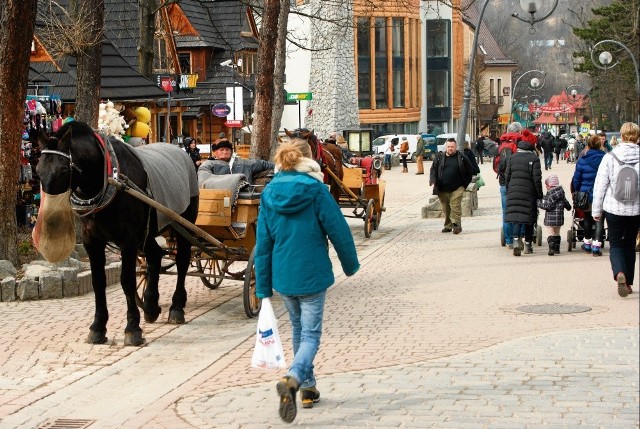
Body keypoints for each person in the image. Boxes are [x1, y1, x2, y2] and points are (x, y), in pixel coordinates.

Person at [254, 138, 360, 423]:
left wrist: (262, 286)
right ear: (308, 159)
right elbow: (338, 228)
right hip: (312, 273)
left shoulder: (269, 193)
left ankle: (307, 389)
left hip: (284, 274)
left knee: (299, 331)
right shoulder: (315, 189)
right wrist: (350, 265)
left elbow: (262, 244)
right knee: (311, 335)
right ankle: (294, 378)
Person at [592, 122, 640, 298]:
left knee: (616, 245)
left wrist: (596, 210)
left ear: (621, 136)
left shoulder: (610, 157)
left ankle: (619, 273)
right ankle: (627, 283)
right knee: (629, 244)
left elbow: (600, 186)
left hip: (614, 209)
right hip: (636, 210)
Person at [505, 130, 543, 256]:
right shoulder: (534, 159)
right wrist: (539, 194)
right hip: (528, 193)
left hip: (514, 191)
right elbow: (537, 179)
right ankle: (527, 245)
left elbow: (507, 176)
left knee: (516, 217)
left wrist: (509, 189)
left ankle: (516, 241)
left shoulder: (512, 158)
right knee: (529, 219)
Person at [429, 138, 473, 235]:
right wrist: (433, 181)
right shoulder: (439, 157)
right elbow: (433, 170)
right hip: (442, 188)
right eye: (448, 147)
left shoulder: (461, 157)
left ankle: (457, 225)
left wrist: (465, 184)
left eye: (452, 147)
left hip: (457, 188)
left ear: (456, 147)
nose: (450, 148)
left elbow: (470, 170)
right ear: (446, 147)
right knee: (446, 208)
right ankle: (448, 226)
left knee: (455, 206)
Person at [571, 134, 606, 256]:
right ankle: (596, 246)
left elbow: (577, 178)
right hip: (602, 193)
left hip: (586, 193)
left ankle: (587, 244)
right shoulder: (605, 158)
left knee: (587, 219)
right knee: (599, 220)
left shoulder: (582, 160)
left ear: (588, 145)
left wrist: (577, 190)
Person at [497, 122, 524, 249]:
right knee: (521, 209)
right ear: (519, 132)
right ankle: (520, 236)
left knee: (506, 211)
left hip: (503, 182)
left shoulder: (502, 144)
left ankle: (508, 240)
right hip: (518, 182)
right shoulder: (519, 143)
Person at [197, 139, 274, 184]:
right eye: (221, 149)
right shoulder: (208, 165)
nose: (225, 152)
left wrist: (280, 167)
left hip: (244, 197)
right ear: (215, 151)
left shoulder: (243, 163)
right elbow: (204, 181)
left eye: (227, 149)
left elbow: (263, 164)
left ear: (231, 151)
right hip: (218, 197)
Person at [537, 175, 571, 255]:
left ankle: (551, 249)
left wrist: (538, 203)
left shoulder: (550, 195)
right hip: (559, 218)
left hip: (550, 218)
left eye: (546, 185)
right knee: (557, 233)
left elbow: (547, 206)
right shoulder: (561, 193)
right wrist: (568, 207)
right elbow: (567, 204)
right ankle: (557, 249)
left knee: (550, 233)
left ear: (549, 186)